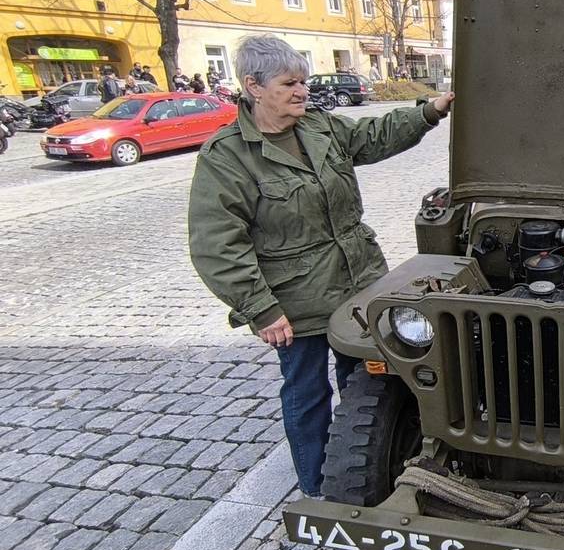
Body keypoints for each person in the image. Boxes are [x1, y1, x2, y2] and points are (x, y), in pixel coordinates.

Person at [187, 35, 454, 499]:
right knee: (308, 395)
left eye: (304, 81)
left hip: (359, 284)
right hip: (296, 302)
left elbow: (373, 136)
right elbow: (216, 245)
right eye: (289, 83)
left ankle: (371, 472)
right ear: (253, 86)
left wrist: (428, 112)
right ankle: (318, 489)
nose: (301, 91)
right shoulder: (227, 156)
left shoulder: (319, 127)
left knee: (373, 382)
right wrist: (261, 309)